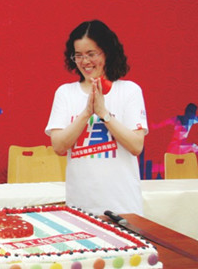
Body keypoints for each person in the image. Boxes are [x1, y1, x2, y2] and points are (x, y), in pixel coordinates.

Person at [45, 20, 148, 215]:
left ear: (107, 52)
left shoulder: (129, 91)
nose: (85, 62)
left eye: (91, 54)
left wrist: (103, 114)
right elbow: (58, 146)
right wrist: (86, 113)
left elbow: (136, 146)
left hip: (123, 207)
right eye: (78, 55)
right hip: (80, 207)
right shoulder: (65, 93)